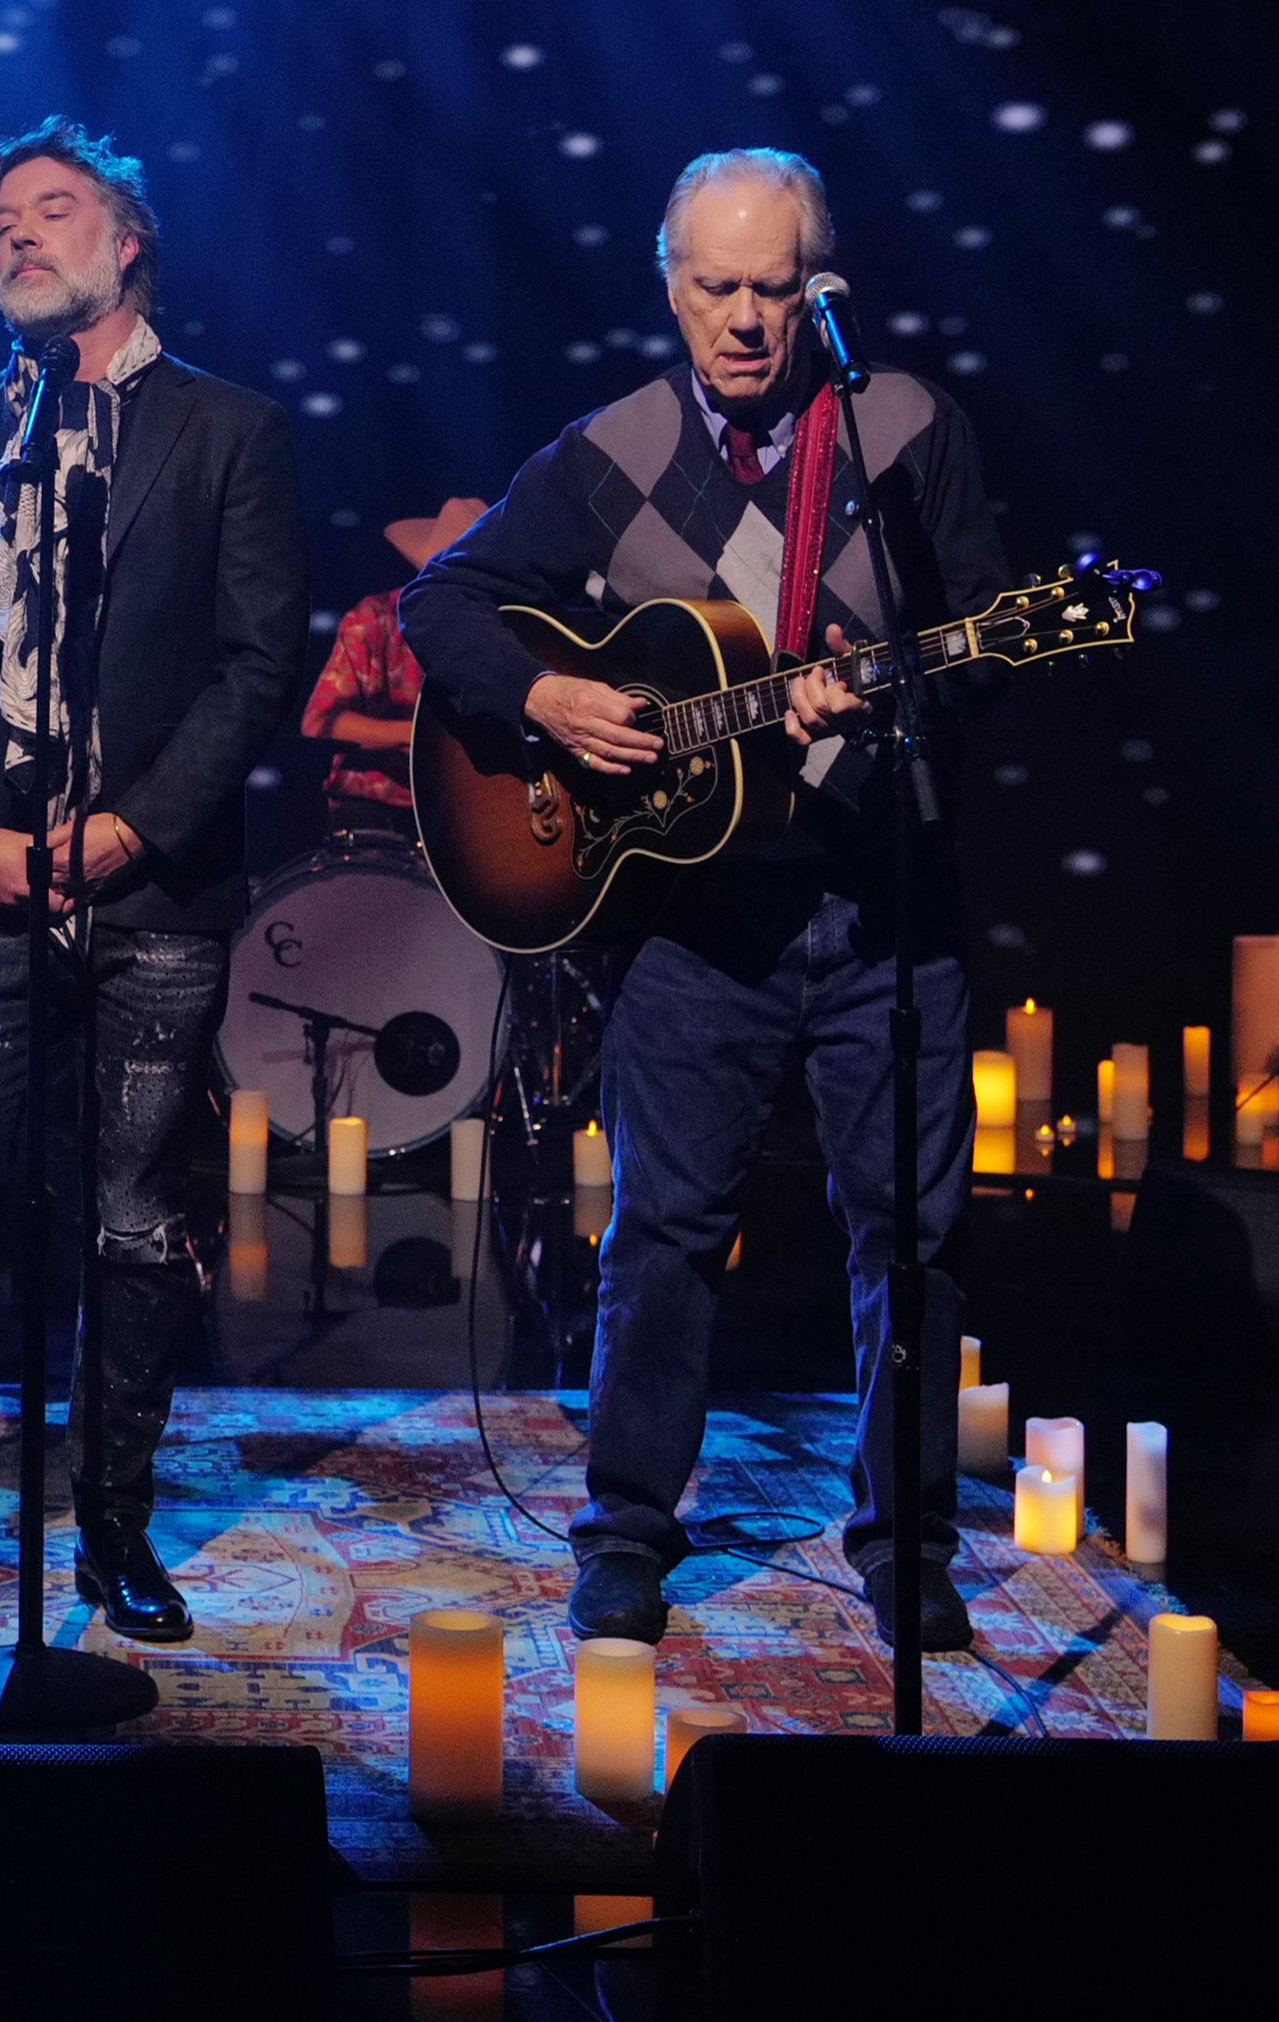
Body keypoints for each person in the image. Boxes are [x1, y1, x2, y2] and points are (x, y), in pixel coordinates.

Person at [401, 149, 1008, 1651]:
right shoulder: (610, 452)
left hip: (884, 902)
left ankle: (909, 1542)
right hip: (693, 921)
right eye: (716, 285)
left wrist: (891, 699)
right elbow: (441, 601)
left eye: (774, 288)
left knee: (911, 1236)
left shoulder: (905, 429)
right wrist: (546, 695)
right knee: (662, 1234)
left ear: (819, 289)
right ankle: (625, 1533)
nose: (745, 317)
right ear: (670, 286)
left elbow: (983, 653)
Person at [0, 119, 306, 1639]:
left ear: (128, 241)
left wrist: (134, 827)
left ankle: (113, 1525)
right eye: (1, 222)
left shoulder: (227, 429)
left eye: (51, 211)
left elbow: (257, 664)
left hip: (152, 892)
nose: (20, 237)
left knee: (135, 1223)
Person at [298, 496, 485, 832]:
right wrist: (415, 736)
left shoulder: (492, 635)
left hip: (455, 811)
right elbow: (317, 723)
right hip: (370, 805)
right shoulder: (374, 619)